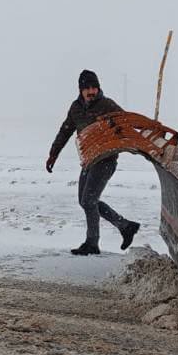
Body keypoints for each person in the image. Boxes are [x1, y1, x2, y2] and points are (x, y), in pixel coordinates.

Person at [47, 70, 140, 256]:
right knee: (85, 201)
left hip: (106, 160)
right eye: (87, 88)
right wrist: (53, 154)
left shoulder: (107, 105)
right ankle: (125, 226)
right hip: (88, 161)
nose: (91, 91)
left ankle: (92, 243)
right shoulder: (76, 108)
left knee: (89, 201)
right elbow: (65, 131)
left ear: (98, 88)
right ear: (81, 90)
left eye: (94, 87)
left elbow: (126, 122)